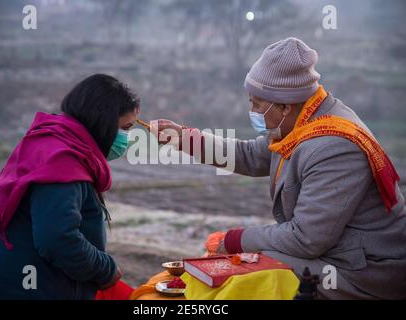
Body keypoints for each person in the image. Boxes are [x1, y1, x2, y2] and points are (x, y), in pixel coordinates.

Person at [153, 37, 406, 299]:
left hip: (362, 269)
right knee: (237, 266)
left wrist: (235, 239)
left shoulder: (333, 146)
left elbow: (305, 238)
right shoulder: (301, 120)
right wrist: (184, 138)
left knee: (243, 275)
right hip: (332, 252)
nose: (251, 110)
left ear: (285, 105)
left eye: (257, 104)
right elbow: (249, 155)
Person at [0, 74, 139, 299]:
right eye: (126, 128)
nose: (127, 138)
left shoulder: (55, 142)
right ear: (104, 121)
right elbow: (57, 240)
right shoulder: (63, 162)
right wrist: (105, 269)